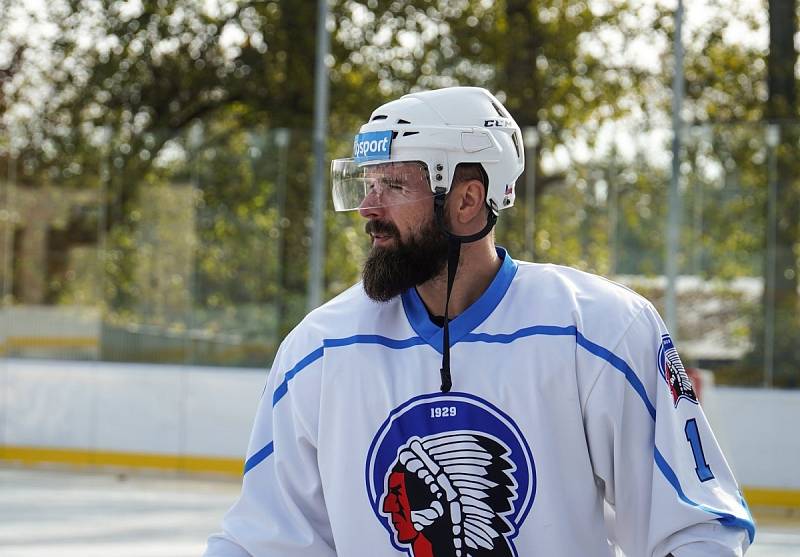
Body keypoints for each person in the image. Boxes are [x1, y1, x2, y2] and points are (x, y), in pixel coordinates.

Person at [205, 87, 754, 556]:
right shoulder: (319, 349)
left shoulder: (602, 331)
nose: (368, 208)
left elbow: (695, 529)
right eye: (365, 184)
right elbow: (264, 541)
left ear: (467, 199)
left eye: (393, 186)